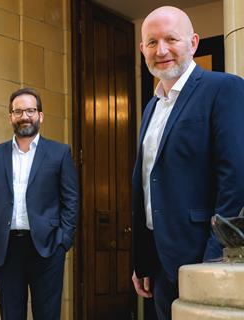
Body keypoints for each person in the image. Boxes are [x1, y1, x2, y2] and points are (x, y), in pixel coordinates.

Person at [131, 6, 244, 320]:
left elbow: (234, 181)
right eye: (152, 43)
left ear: (193, 43)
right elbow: (147, 184)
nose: (161, 50)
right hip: (159, 261)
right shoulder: (151, 108)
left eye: (171, 39)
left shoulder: (225, 89)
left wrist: (213, 259)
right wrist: (143, 260)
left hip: (203, 257)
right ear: (142, 50)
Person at [0, 87, 79, 320]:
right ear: (10, 116)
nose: (24, 116)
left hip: (48, 247)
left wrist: (63, 240)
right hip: (6, 248)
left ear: (40, 116)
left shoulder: (59, 153)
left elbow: (71, 199)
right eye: (18, 111)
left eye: (30, 110)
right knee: (11, 315)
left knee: (47, 314)